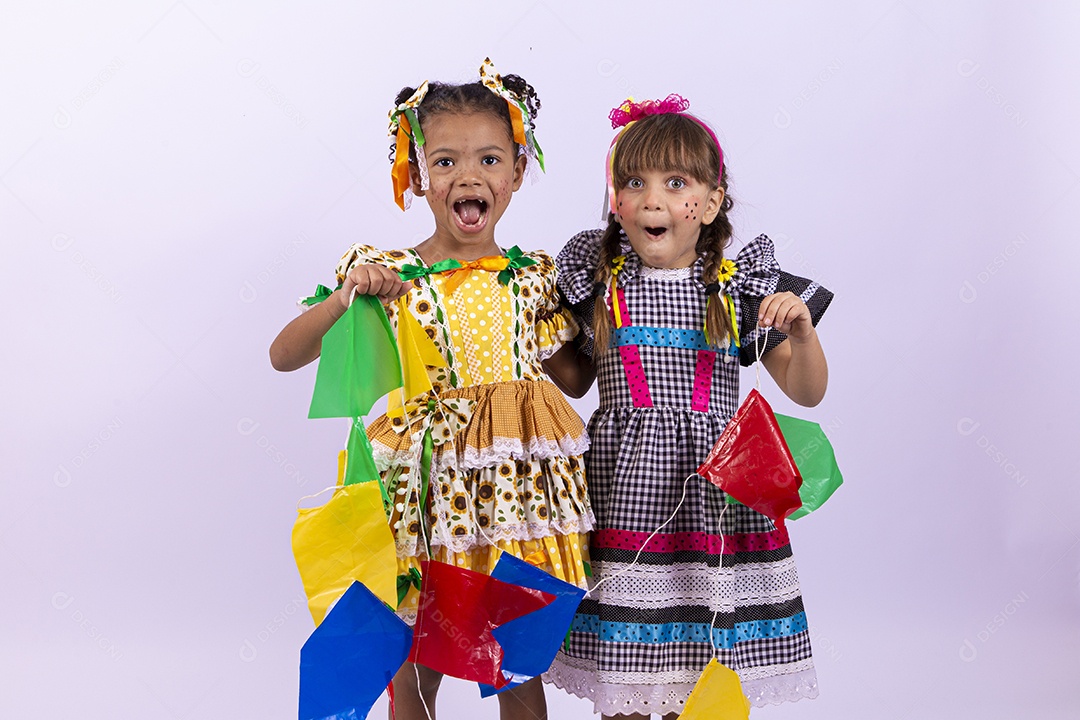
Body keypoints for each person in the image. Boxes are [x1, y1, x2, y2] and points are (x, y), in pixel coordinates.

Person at [270, 60, 594, 720]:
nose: (468, 177)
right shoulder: (389, 274)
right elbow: (285, 355)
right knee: (416, 658)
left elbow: (577, 378)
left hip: (514, 493)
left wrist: (610, 305)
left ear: (517, 172)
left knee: (514, 657)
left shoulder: (532, 276)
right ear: (417, 176)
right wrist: (346, 296)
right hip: (424, 493)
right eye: (445, 162)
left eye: (489, 159)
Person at [541, 95, 832, 719]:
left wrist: (803, 334)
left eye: (676, 183)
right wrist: (529, 336)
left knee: (700, 668)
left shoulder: (736, 289)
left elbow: (806, 391)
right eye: (634, 183)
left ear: (713, 200)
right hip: (624, 493)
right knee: (627, 673)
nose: (654, 200)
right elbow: (575, 379)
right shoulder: (601, 285)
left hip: (715, 496)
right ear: (615, 202)